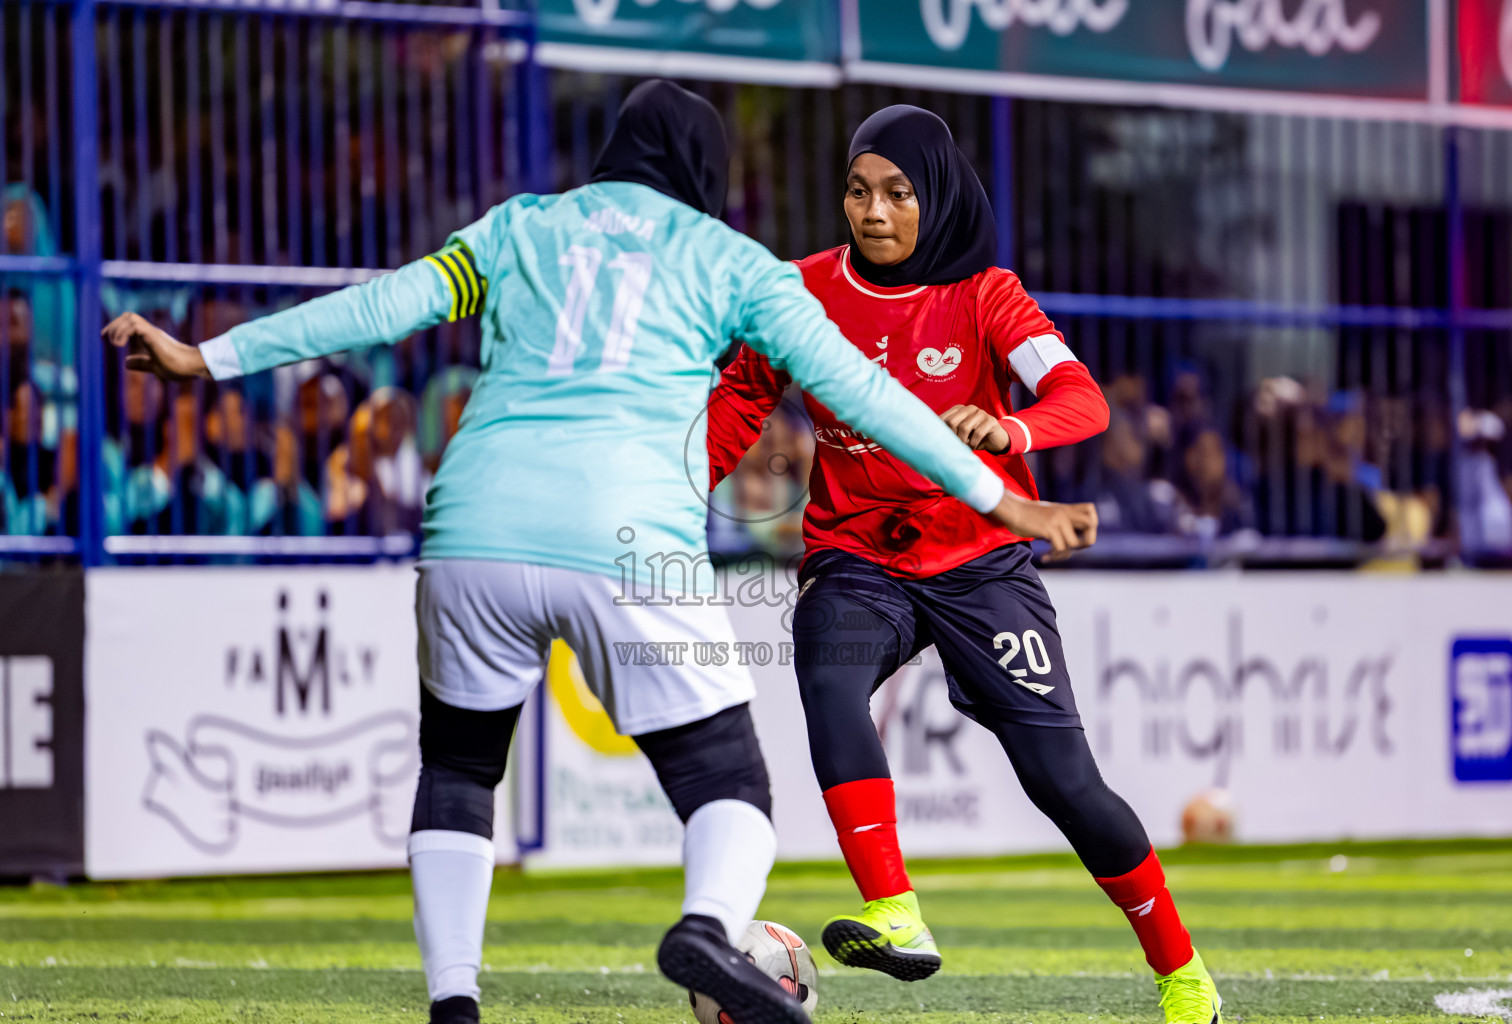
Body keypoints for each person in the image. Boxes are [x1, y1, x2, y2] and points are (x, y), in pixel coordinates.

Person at [104, 81, 1090, 1024]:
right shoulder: (733, 261)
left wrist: (207, 356)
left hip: (472, 528)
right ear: (703, 170)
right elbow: (870, 397)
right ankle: (707, 928)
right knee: (728, 781)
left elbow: (380, 305)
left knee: (458, 768)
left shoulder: (519, 227)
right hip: (620, 532)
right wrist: (1003, 498)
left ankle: (455, 999)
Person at [707, 105, 1222, 1024]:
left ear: (936, 196)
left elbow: (1082, 398)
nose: (874, 211)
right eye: (858, 191)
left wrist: (1012, 428)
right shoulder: (800, 291)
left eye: (898, 193)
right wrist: (664, 492)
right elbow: (741, 398)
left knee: (1065, 784)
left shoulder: (987, 295)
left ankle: (1182, 974)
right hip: (858, 553)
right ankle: (895, 911)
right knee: (826, 672)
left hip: (980, 562)